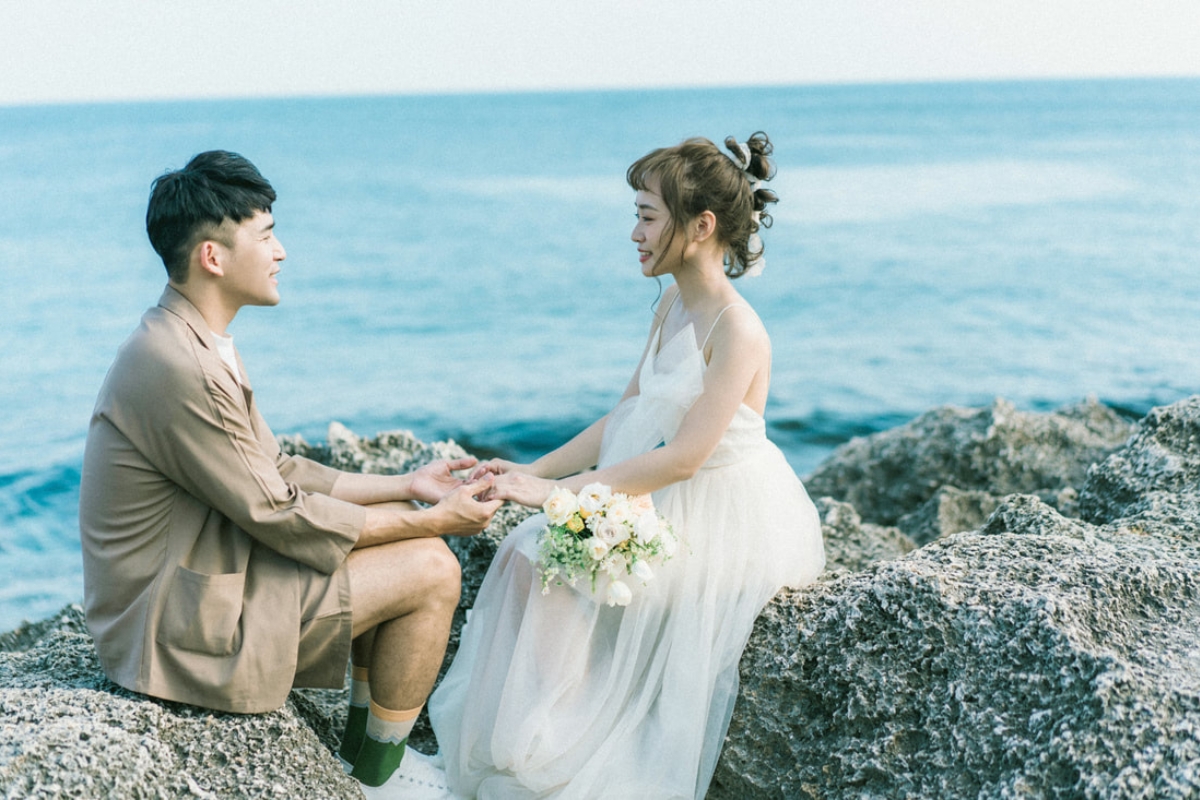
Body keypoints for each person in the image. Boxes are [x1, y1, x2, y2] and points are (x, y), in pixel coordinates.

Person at [79, 150, 501, 799]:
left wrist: (408, 487)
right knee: (433, 565)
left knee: (416, 548)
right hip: (172, 626)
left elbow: (275, 470)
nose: (282, 252)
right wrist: (435, 520)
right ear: (213, 257)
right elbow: (277, 513)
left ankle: (364, 758)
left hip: (195, 587)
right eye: (267, 235)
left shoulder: (192, 338)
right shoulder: (178, 364)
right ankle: (377, 779)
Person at [427, 132, 827, 799]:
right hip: (651, 489)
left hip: (720, 514)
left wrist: (552, 495)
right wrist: (529, 469)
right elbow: (626, 417)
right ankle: (539, 741)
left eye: (647, 216)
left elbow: (683, 458)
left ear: (700, 227)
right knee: (530, 554)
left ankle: (560, 754)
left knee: (560, 561)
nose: (634, 232)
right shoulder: (672, 303)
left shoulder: (738, 329)